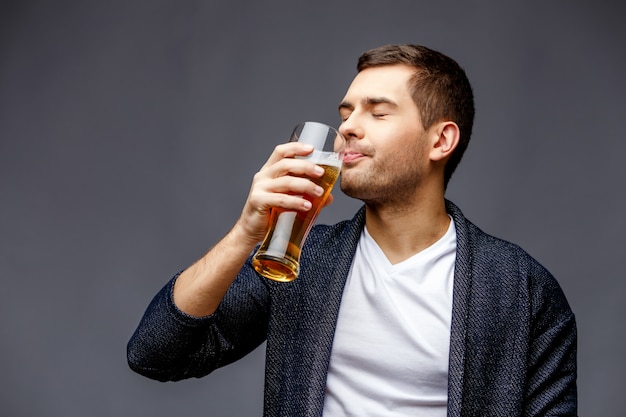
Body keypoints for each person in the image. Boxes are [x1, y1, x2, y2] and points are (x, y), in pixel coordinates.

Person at [127, 44, 577, 416]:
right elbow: (156, 354)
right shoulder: (304, 260)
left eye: (377, 113)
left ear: (440, 140)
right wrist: (247, 231)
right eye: (346, 112)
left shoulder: (521, 287)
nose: (347, 127)